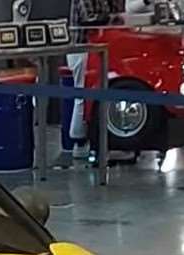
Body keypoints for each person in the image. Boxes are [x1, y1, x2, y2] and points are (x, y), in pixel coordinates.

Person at [66, 0, 120, 162]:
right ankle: (79, 141)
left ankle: (88, 140)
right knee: (82, 96)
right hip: (80, 49)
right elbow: (89, 19)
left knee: (87, 96)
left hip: (93, 48)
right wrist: (111, 17)